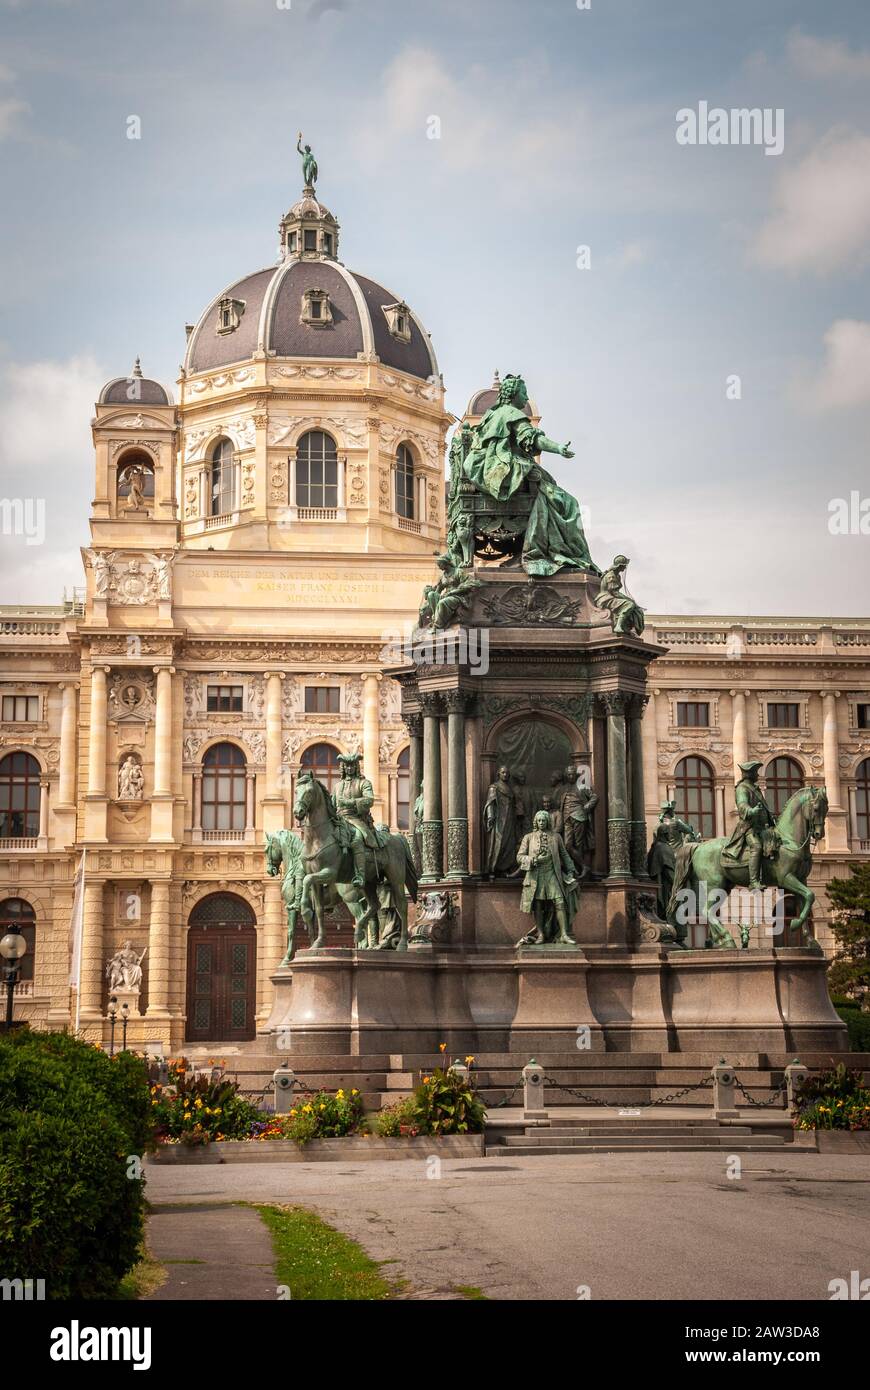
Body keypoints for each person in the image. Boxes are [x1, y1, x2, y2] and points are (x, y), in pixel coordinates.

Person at [461, 374, 596, 577]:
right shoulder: (511, 414)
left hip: (483, 472)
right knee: (568, 503)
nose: (526, 398)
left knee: (550, 490)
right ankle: (554, 553)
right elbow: (531, 439)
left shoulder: (492, 415)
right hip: (503, 473)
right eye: (524, 393)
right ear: (514, 394)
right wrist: (558, 448)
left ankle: (531, 551)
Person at [516, 810, 579, 946]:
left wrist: (571, 869)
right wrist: (532, 860)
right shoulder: (528, 837)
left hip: (552, 873)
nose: (541, 823)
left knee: (560, 902)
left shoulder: (556, 837)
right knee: (538, 904)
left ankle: (563, 934)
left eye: (544, 820)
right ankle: (540, 934)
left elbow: (564, 854)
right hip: (536, 874)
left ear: (548, 822)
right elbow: (519, 857)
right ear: (536, 822)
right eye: (539, 820)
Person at [722, 759, 779, 890]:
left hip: (762, 828)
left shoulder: (755, 788)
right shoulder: (742, 788)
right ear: (749, 774)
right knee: (757, 846)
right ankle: (753, 881)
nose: (758, 775)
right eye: (755, 773)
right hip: (749, 828)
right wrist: (752, 811)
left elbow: (764, 808)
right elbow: (742, 806)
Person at [483, 765, 519, 877]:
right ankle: (493, 868)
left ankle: (505, 868)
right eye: (503, 772)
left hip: (509, 819)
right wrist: (490, 817)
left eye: (507, 773)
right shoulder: (494, 787)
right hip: (499, 819)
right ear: (498, 774)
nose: (505, 775)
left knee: (509, 843)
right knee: (498, 843)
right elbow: (490, 803)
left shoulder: (510, 788)